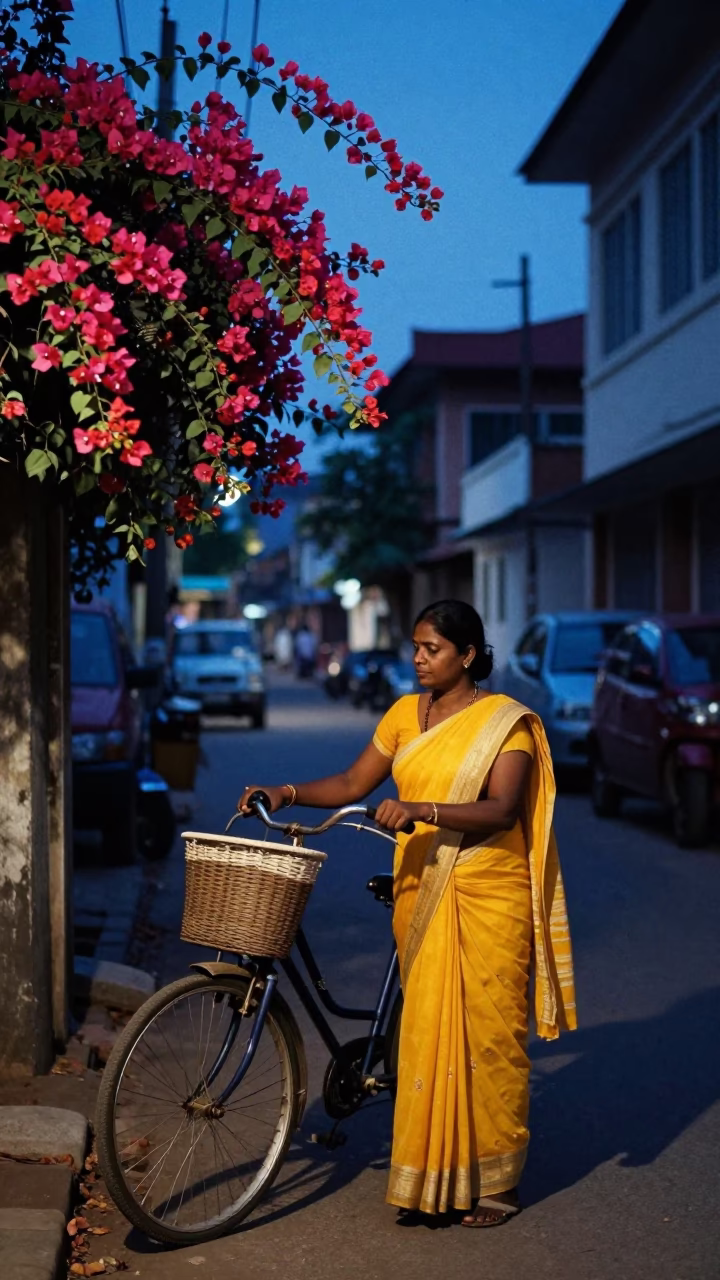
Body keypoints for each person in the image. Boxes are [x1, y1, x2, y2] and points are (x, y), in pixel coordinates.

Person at [238, 599, 576, 1227]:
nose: (419, 658)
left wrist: (424, 809)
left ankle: (497, 1180)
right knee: (426, 1031)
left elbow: (502, 810)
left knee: (490, 1038)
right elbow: (350, 783)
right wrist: (285, 791)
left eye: (433, 649)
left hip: (487, 891)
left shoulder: (508, 725)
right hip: (421, 885)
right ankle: (435, 1170)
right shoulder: (403, 714)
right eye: (416, 647)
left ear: (467, 655)